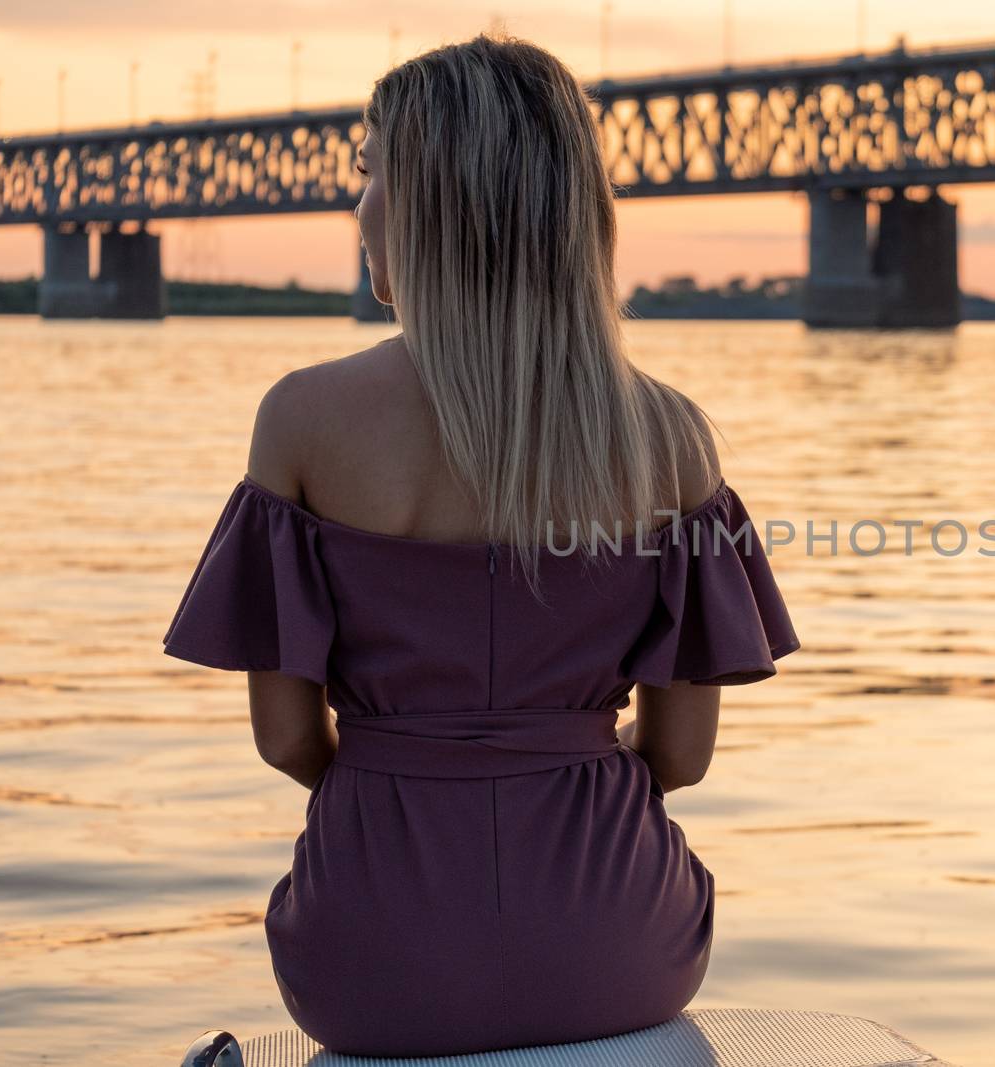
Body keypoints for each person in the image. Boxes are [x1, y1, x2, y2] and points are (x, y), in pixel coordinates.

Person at [160, 31, 800, 1058]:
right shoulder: (670, 436)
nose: (355, 204)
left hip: (369, 955)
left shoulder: (303, 419)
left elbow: (285, 741)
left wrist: (399, 780)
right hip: (616, 948)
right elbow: (681, 755)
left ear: (428, 203)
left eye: (369, 170)